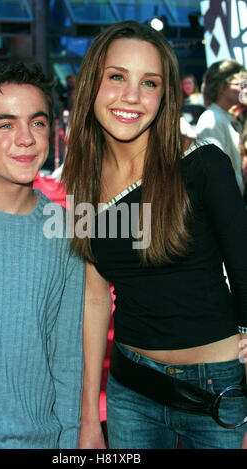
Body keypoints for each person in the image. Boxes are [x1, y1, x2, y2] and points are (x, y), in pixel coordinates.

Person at [61, 21, 247, 449]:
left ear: (165, 96)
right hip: (131, 394)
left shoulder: (202, 165)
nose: (132, 96)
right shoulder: (85, 180)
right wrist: (90, 417)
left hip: (217, 396)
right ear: (92, 84)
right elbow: (94, 296)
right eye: (117, 77)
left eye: (149, 82)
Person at [0, 63, 84, 449]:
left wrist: (69, 440)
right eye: (5, 125)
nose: (25, 138)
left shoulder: (69, 230)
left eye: (37, 123)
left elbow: (67, 354)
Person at [196, 59, 247, 195]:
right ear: (222, 87)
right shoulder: (211, 120)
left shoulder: (225, 117)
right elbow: (215, 175)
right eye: (240, 84)